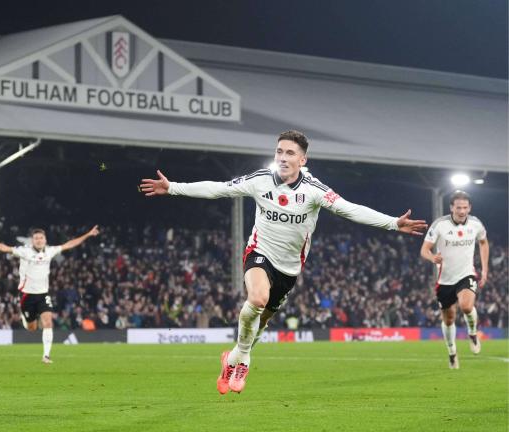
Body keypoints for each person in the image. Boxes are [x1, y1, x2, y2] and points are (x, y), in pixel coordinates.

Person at [140, 130, 427, 394]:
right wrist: (174, 187)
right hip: (259, 251)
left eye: (290, 153)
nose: (283, 157)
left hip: (289, 268)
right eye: (279, 151)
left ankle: (234, 357)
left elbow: (349, 210)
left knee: (261, 321)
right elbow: (220, 188)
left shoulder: (314, 190)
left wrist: (392, 223)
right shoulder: (261, 180)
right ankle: (244, 360)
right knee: (258, 298)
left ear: (303, 159)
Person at [0, 225, 99, 363]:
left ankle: (46, 355)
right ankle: (25, 318)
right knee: (32, 328)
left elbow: (69, 244)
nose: (39, 240)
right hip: (27, 295)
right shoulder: (24, 251)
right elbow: (4, 248)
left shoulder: (50, 251)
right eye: (36, 238)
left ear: (45, 240)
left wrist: (87, 234)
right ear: (32, 241)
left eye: (41, 238)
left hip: (43, 294)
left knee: (48, 322)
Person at [420, 190, 488, 369]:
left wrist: (485, 269)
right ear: (451, 207)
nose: (462, 211)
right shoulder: (439, 225)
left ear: (469, 207)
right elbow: (424, 249)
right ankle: (452, 352)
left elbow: (483, 242)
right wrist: (432, 257)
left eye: (465, 207)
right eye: (458, 207)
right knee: (449, 319)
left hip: (466, 274)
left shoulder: (475, 224)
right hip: (445, 280)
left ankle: (472, 333)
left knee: (466, 306)